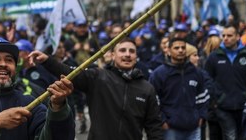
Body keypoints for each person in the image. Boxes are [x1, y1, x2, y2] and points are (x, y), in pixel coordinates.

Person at [30, 37, 163, 140]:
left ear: (136, 57)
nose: (127, 54)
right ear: (113, 55)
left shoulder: (147, 88)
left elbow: (154, 126)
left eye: (132, 51)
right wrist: (47, 61)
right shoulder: (98, 77)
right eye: (122, 50)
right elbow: (72, 73)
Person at [205, 24, 246, 140]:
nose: (225, 38)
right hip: (222, 106)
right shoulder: (214, 57)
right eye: (224, 35)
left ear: (237, 37)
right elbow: (207, 79)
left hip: (245, 106)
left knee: (244, 135)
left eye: (229, 35)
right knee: (230, 136)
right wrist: (215, 100)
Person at [150, 37, 209, 140]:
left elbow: (202, 96)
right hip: (170, 129)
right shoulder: (159, 74)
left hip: (194, 128)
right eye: (176, 48)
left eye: (183, 47)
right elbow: (153, 100)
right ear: (168, 51)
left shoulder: (195, 72)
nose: (180, 50)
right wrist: (163, 121)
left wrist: (201, 117)